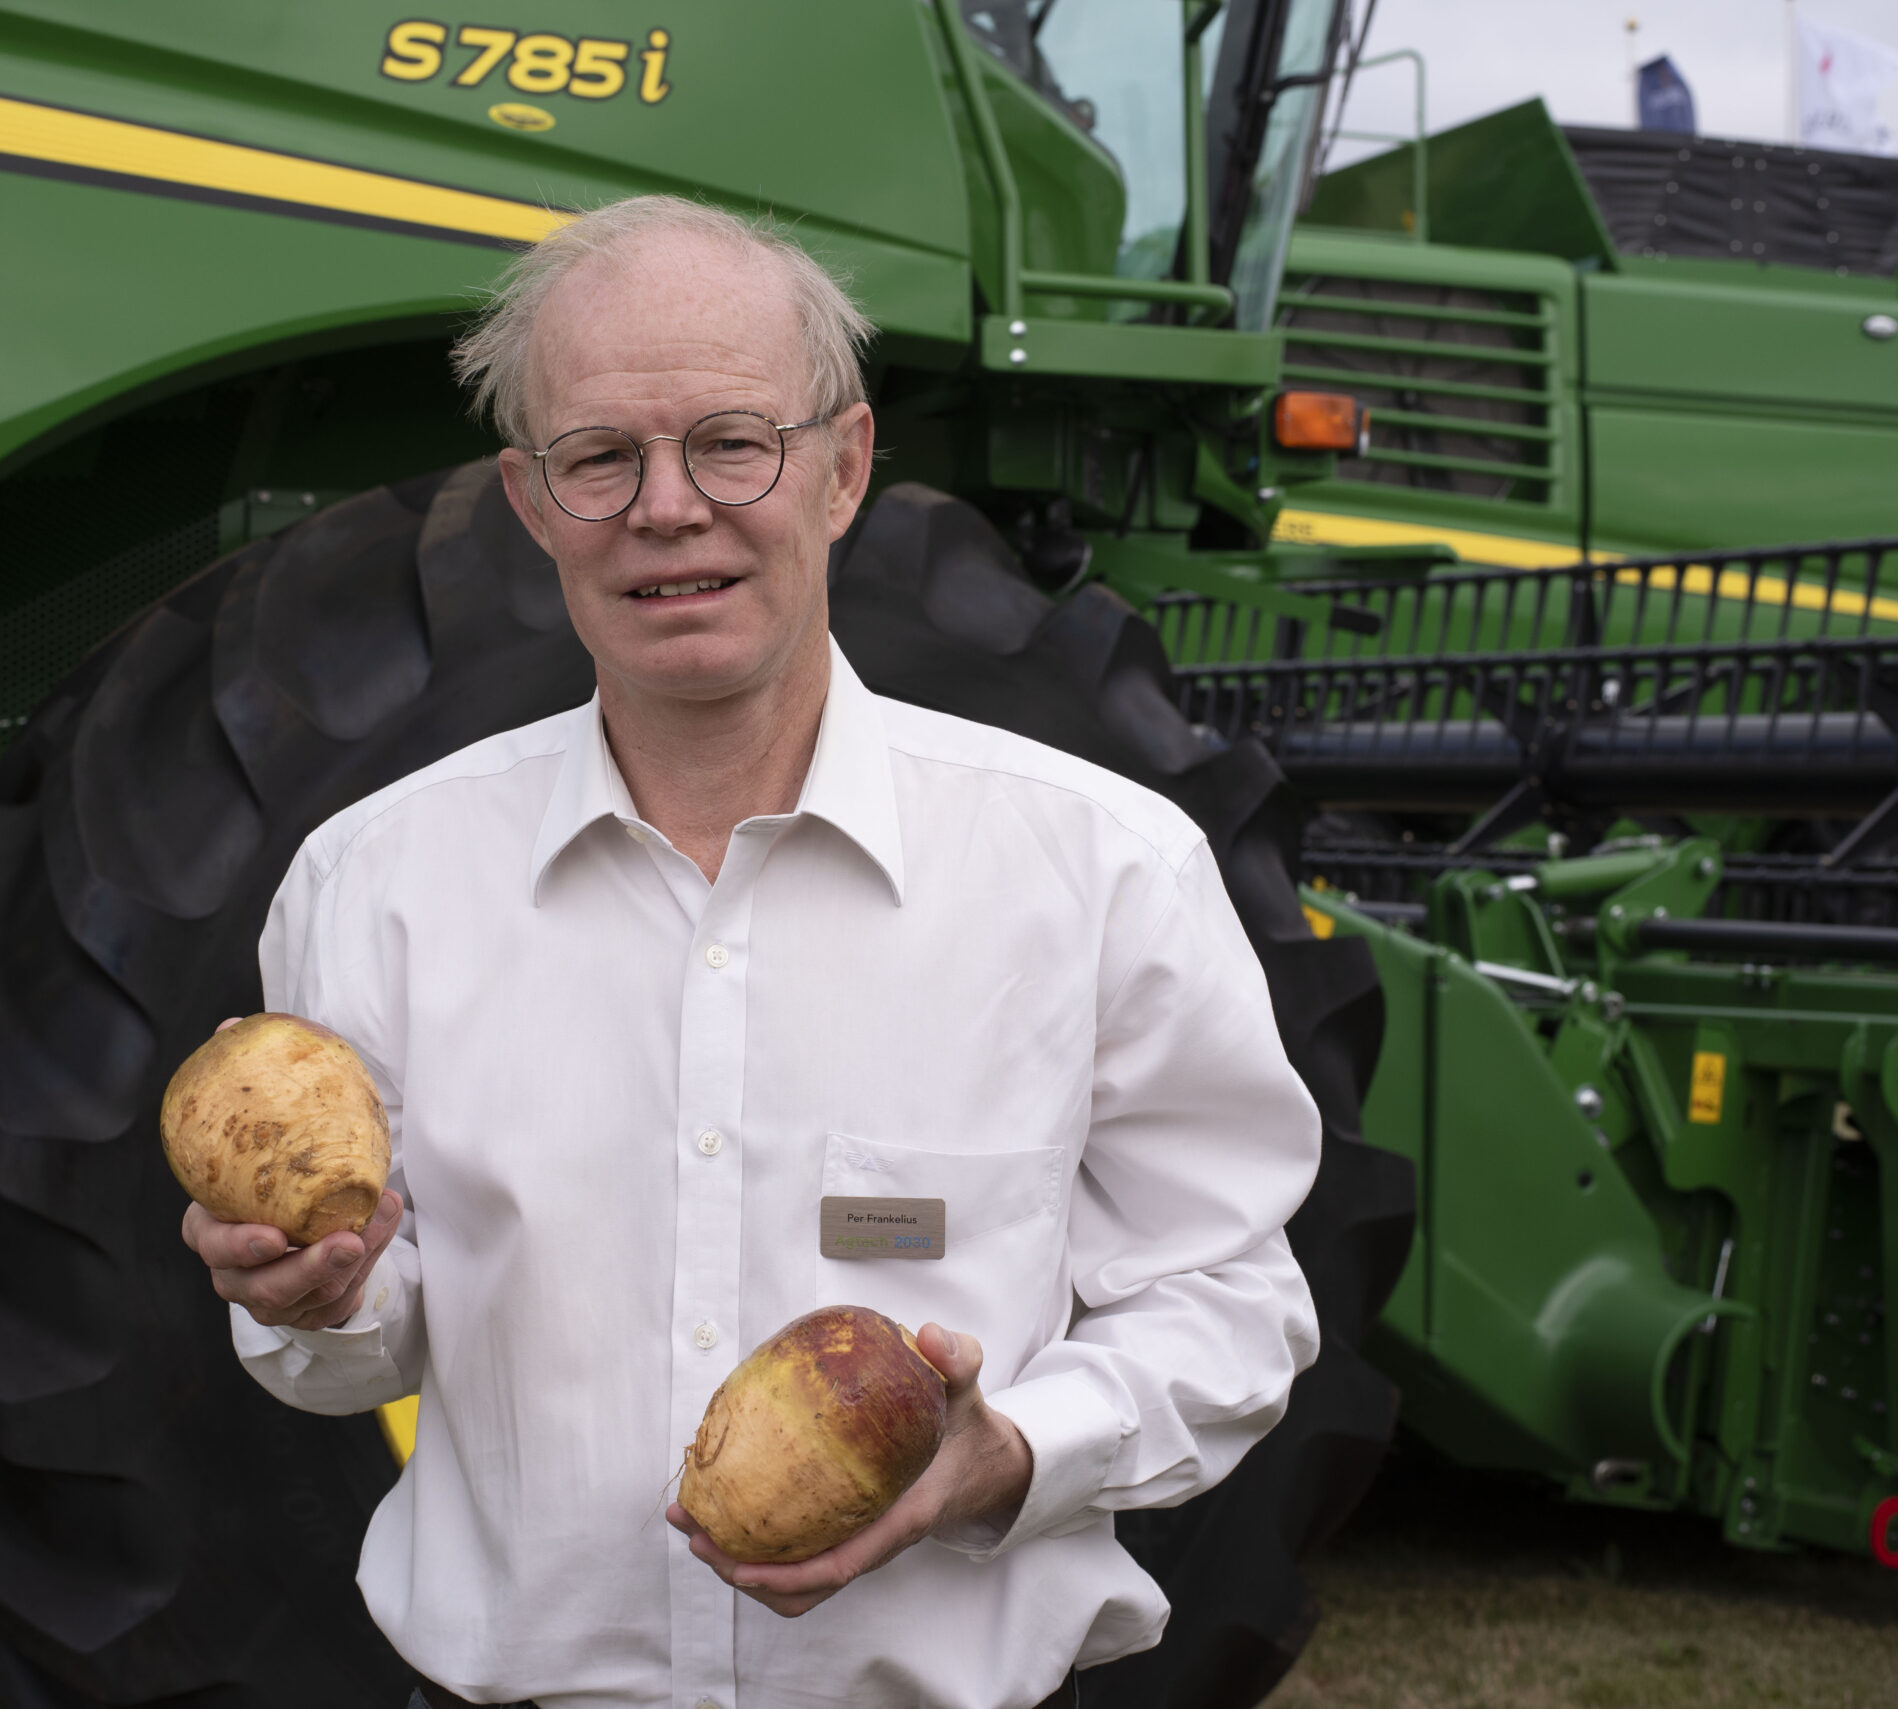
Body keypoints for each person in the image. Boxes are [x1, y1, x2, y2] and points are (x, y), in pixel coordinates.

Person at [180, 195, 1322, 1709]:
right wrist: (304, 1295)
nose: (668, 507)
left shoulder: (1099, 870)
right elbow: (372, 1338)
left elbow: (1231, 1298)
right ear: (531, 501)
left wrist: (1016, 1452)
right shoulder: (377, 882)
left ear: (843, 467)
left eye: (733, 441)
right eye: (601, 458)